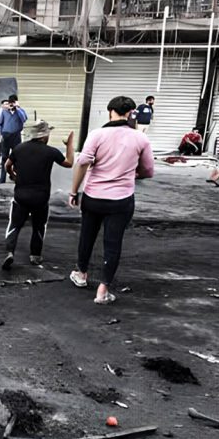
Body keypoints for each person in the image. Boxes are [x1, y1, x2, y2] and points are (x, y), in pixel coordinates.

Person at [69, 96, 154, 305]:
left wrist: (73, 192)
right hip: (121, 200)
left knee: (87, 236)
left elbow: (82, 163)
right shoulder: (140, 138)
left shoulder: (97, 134)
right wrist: (133, 174)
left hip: (93, 196)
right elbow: (148, 170)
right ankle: (103, 290)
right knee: (113, 243)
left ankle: (81, 274)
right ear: (131, 113)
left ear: (110, 112)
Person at [3, 121, 74, 270]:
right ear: (43, 136)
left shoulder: (19, 148)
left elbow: (7, 165)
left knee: (14, 225)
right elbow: (69, 163)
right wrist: (69, 145)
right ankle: (35, 256)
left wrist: (13, 175)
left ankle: (9, 252)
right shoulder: (51, 151)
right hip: (40, 198)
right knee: (39, 226)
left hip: (20, 196)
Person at [0, 94, 28, 184]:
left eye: (13, 102)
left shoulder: (20, 111)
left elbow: (24, 119)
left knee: (17, 156)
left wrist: (18, 108)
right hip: (6, 136)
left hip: (16, 136)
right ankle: (2, 178)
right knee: (4, 157)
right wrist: (1, 134)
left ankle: (15, 175)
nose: (11, 104)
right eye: (10, 102)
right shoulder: (4, 111)